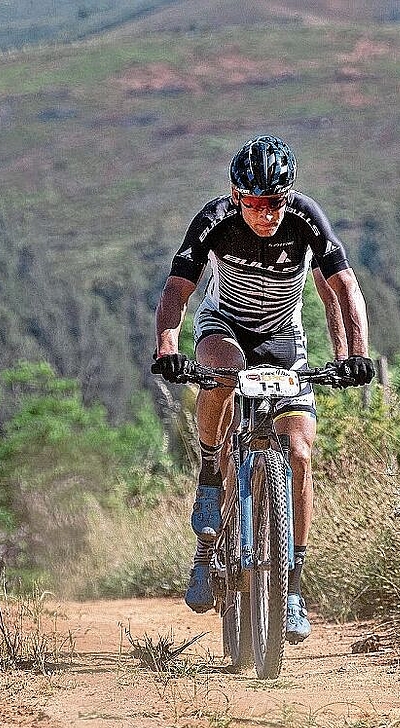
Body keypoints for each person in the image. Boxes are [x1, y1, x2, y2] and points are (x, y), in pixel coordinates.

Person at [152, 135, 374, 644]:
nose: (265, 215)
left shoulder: (305, 218)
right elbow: (176, 291)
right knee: (224, 375)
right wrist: (168, 347)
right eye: (253, 203)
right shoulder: (213, 219)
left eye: (274, 202)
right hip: (224, 326)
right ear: (236, 195)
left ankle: (292, 585)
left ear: (288, 195)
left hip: (282, 339)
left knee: (298, 451)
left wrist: (355, 355)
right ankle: (211, 474)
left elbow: (343, 286)